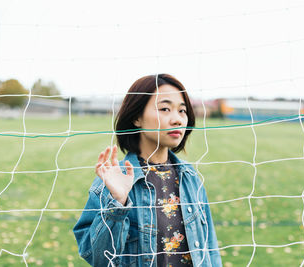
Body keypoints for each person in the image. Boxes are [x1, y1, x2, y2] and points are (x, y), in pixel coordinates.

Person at [73, 74, 222, 267]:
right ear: (136, 118)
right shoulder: (112, 180)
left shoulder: (190, 177)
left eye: (182, 111)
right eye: (165, 109)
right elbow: (97, 257)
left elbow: (210, 249)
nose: (177, 119)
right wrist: (118, 204)